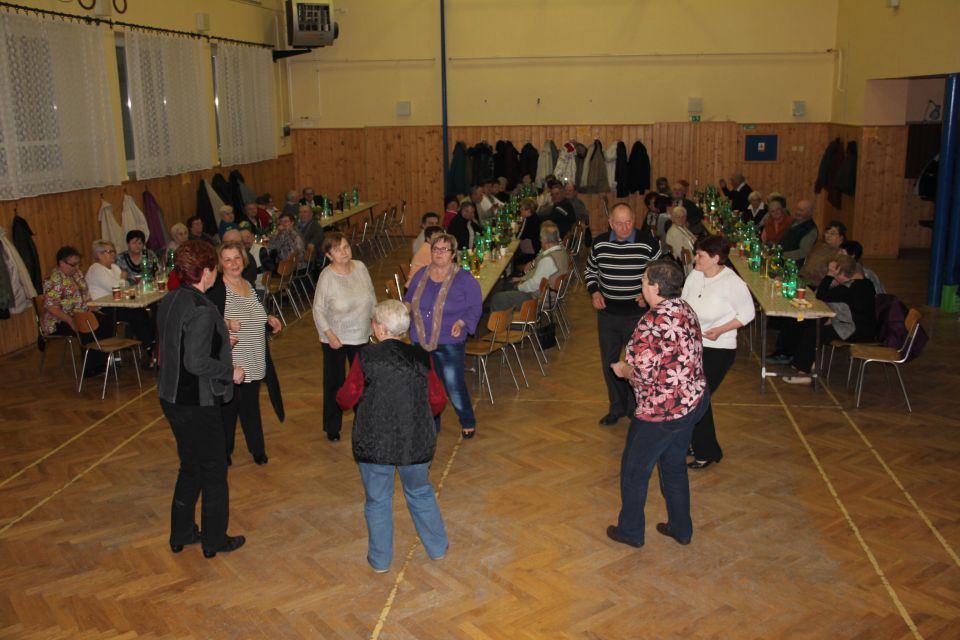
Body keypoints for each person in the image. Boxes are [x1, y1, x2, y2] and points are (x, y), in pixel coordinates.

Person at [335, 300, 449, 573]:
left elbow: (346, 398)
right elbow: (437, 400)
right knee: (420, 493)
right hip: (415, 439)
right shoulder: (422, 356)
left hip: (375, 440)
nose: (373, 326)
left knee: (377, 501)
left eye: (374, 322)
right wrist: (419, 415)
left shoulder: (366, 357)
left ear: (381, 328)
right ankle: (437, 548)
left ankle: (380, 560)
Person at [606, 259, 709, 549]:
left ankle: (630, 531)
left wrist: (622, 369)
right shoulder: (684, 307)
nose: (641, 284)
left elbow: (642, 375)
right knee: (674, 466)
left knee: (634, 470)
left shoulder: (650, 324)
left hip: (663, 411)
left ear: (654, 287)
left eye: (643, 280)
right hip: (692, 401)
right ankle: (681, 528)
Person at [157, 240, 246, 559]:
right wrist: (230, 370)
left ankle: (181, 532)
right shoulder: (202, 309)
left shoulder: (170, 299)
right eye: (215, 268)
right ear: (206, 271)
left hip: (170, 396)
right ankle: (214, 539)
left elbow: (180, 344)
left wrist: (220, 341)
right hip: (196, 400)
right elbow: (195, 362)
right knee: (214, 468)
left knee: (191, 464)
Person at [584, 203, 662, 426]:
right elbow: (590, 271)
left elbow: (661, 273)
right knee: (609, 362)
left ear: (634, 220)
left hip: (638, 315)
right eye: (619, 223)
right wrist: (594, 291)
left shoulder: (648, 242)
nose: (624, 228)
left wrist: (647, 295)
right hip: (608, 314)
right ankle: (616, 407)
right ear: (610, 223)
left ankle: (636, 407)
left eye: (628, 222)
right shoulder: (599, 244)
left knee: (637, 362)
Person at [681, 236, 754, 469]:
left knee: (698, 396)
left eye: (700, 255)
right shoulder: (695, 275)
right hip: (694, 346)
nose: (695, 258)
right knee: (692, 396)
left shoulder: (732, 283)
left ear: (716, 258)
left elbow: (748, 313)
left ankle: (707, 451)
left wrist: (721, 329)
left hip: (719, 349)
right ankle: (697, 444)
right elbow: (683, 303)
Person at [208, 241, 282, 466]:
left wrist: (268, 319)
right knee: (228, 410)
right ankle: (223, 453)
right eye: (228, 260)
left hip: (255, 357)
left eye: (237, 258)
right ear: (221, 264)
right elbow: (208, 322)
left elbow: (255, 314)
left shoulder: (248, 285)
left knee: (251, 407)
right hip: (233, 361)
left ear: (244, 260)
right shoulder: (218, 289)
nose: (233, 264)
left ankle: (257, 449)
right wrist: (227, 323)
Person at [404, 233, 483, 439]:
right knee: (427, 385)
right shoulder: (421, 275)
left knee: (453, 385)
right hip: (420, 339)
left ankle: (467, 421)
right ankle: (432, 423)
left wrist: (462, 322)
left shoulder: (464, 279)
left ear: (453, 254)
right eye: (435, 249)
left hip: (449, 341)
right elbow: (408, 300)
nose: (439, 253)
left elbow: (475, 307)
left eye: (444, 250)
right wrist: (400, 314)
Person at [312, 232, 377, 442]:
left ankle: (365, 422)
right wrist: (330, 335)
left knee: (362, 381)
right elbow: (318, 310)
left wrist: (376, 322)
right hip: (335, 339)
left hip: (361, 334)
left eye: (346, 247)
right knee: (335, 383)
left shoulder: (361, 267)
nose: (344, 252)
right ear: (329, 255)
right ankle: (332, 426)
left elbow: (371, 296)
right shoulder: (327, 276)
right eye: (338, 250)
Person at [776, 255, 878, 383]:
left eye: (835, 273)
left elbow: (821, 295)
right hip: (859, 325)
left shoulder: (850, 288)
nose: (834, 276)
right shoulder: (866, 283)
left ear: (842, 274)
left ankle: (803, 374)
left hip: (856, 330)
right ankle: (807, 361)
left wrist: (829, 275)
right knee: (812, 325)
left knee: (814, 333)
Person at [43, 245, 110, 376]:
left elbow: (85, 295)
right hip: (60, 320)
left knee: (105, 320)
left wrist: (94, 309)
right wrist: (70, 320)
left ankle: (105, 360)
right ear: (61, 263)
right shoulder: (53, 280)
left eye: (78, 264)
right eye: (73, 265)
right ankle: (90, 368)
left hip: (82, 313)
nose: (77, 267)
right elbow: (51, 307)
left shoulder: (77, 274)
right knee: (86, 327)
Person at [87, 239, 156, 365]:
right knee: (136, 315)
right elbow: (115, 288)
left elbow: (126, 286)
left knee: (141, 311)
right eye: (109, 251)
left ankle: (152, 345)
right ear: (99, 255)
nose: (113, 254)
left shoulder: (114, 267)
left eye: (113, 251)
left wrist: (122, 281)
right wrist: (123, 279)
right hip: (102, 310)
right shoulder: (96, 269)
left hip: (117, 305)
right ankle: (150, 349)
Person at [490, 222, 568, 311]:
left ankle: (508, 318)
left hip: (537, 299)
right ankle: (509, 314)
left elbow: (534, 285)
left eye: (541, 239)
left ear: (545, 240)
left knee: (497, 299)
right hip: (548, 295)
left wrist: (518, 286)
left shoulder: (548, 260)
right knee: (508, 285)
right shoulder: (562, 251)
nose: (540, 241)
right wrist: (522, 279)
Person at [799, 220, 846, 288]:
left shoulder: (842, 253)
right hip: (802, 280)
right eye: (827, 232)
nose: (828, 236)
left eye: (832, 233)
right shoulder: (819, 246)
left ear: (841, 237)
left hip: (818, 286)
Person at [781, 199, 818, 264]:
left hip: (794, 265)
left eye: (801, 210)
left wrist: (782, 255)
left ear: (810, 213)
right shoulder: (794, 222)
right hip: (783, 260)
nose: (797, 212)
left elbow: (803, 252)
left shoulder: (811, 230)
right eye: (797, 209)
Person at [665, 206, 697, 275]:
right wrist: (698, 258)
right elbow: (682, 254)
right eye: (678, 217)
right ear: (673, 219)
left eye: (683, 217)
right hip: (687, 265)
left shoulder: (681, 227)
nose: (681, 219)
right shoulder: (674, 232)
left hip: (692, 257)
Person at [514, 196, 542, 267]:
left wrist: (517, 230)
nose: (520, 210)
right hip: (536, 248)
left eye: (522, 209)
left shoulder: (527, 220)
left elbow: (519, 236)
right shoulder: (535, 216)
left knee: (513, 259)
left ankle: (518, 272)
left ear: (528, 210)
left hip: (530, 252)